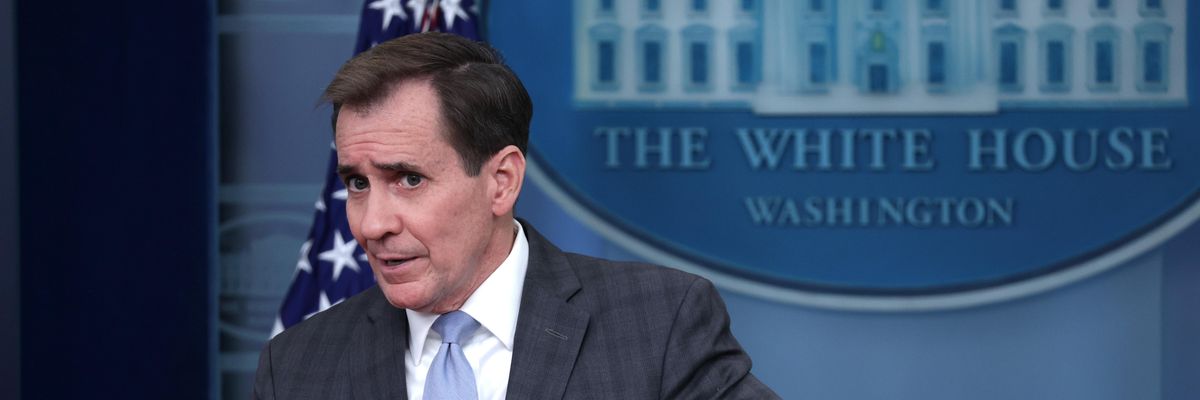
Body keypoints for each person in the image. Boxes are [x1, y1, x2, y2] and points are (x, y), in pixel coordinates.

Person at [254, 32, 778, 400]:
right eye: (357, 183)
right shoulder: (299, 366)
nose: (372, 225)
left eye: (409, 179)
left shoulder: (658, 323)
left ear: (501, 181)